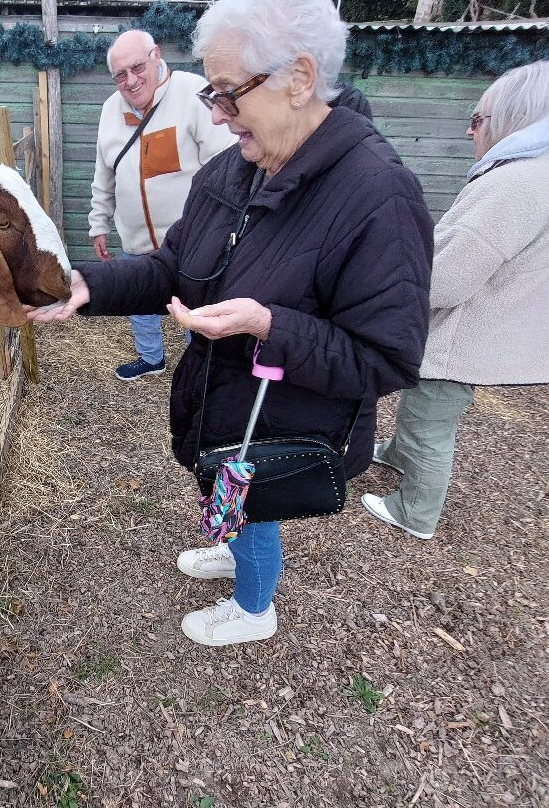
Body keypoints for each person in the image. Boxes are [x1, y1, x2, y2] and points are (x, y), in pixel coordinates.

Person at [28, 0, 432, 647]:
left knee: (256, 508)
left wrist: (267, 323)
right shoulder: (232, 168)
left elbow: (385, 360)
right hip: (225, 400)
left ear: (298, 78)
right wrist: (84, 284)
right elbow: (171, 267)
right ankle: (232, 541)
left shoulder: (377, 196)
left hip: (279, 417)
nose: (213, 112)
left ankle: (252, 610)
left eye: (226, 93)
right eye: (211, 91)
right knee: (233, 496)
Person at [362, 61, 549, 541]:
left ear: (513, 119)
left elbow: (449, 278)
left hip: (467, 332)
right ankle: (399, 453)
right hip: (485, 323)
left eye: (478, 119)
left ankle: (415, 512)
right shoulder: (531, 173)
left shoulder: (515, 183)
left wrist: (394, 282)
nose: (469, 130)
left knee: (431, 419)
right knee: (420, 400)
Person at [89, 30, 236, 381]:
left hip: (191, 240)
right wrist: (98, 223)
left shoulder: (191, 92)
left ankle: (196, 363)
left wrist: (219, 227)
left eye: (137, 67)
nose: (130, 80)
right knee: (138, 301)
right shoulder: (110, 109)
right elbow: (103, 173)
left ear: (156, 55)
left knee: (196, 305)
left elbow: (226, 165)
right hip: (136, 239)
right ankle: (150, 357)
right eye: (120, 75)